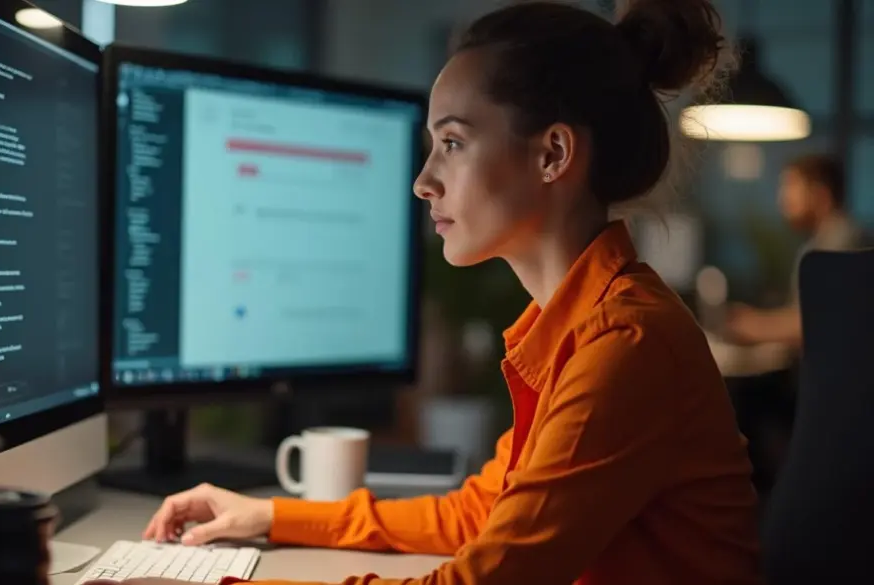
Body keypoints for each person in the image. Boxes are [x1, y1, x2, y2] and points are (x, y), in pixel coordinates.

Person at [90, 1, 762, 584]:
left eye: (452, 143)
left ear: (553, 154)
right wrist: (267, 513)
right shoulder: (581, 324)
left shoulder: (625, 346)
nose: (423, 181)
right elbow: (480, 513)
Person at [725, 153, 867, 348]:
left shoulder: (843, 241)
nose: (782, 199)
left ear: (820, 194)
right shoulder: (821, 241)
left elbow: (819, 322)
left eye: (791, 186)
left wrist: (755, 325)